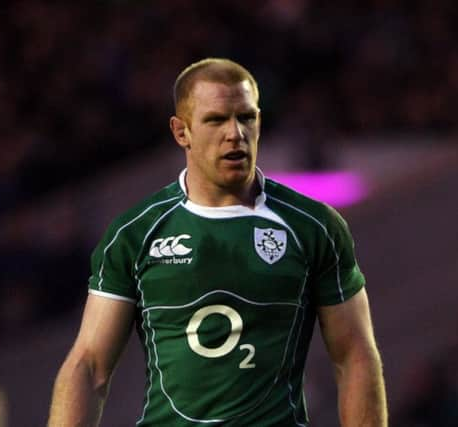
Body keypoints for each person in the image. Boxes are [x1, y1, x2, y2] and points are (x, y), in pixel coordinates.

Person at [48, 58, 387, 426]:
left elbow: (355, 354)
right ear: (182, 132)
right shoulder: (135, 234)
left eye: (247, 118)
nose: (235, 133)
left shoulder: (313, 226)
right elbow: (89, 365)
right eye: (216, 120)